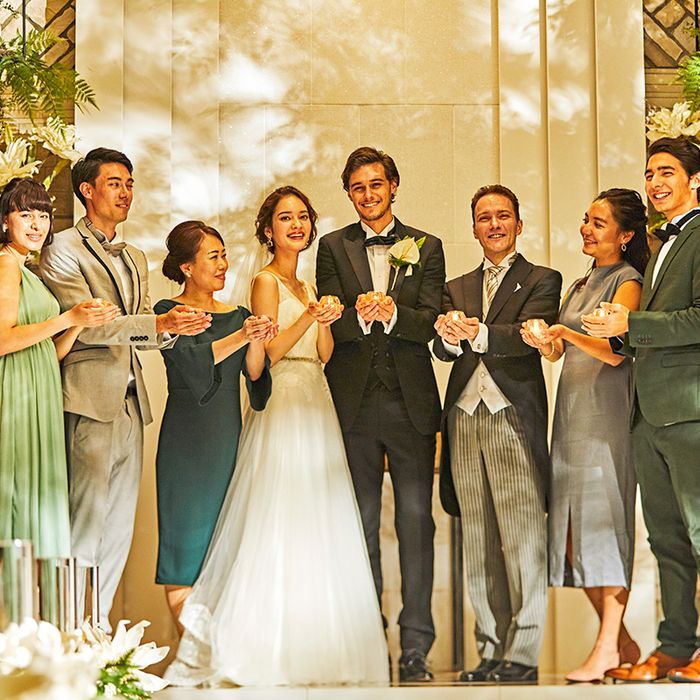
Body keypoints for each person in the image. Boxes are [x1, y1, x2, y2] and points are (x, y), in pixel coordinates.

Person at [166, 186, 388, 687]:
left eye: (303, 217)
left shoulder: (307, 285)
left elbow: (324, 354)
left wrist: (324, 319)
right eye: (286, 218)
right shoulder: (265, 282)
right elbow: (269, 354)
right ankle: (260, 648)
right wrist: (309, 316)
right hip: (285, 399)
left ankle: (319, 647)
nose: (297, 225)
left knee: (319, 517)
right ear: (269, 230)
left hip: (316, 400)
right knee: (279, 511)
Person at [39, 148, 211, 630]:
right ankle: (65, 637)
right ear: (87, 190)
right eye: (115, 183)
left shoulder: (135, 256)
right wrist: (158, 324)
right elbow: (88, 327)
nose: (126, 192)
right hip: (88, 402)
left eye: (130, 183)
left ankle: (96, 637)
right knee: (85, 526)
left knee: (118, 530)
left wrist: (171, 329)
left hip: (134, 406)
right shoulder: (61, 248)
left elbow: (143, 326)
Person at [316, 147, 445, 682]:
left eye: (376, 184)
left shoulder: (427, 245)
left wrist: (394, 315)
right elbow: (325, 319)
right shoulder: (331, 246)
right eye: (357, 187)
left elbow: (432, 319)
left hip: (410, 403)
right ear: (349, 193)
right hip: (352, 404)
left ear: (393, 185)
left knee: (416, 524)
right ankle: (369, 639)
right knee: (361, 524)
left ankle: (416, 648)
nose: (367, 195)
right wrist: (356, 317)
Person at [433, 184, 562, 684]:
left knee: (523, 535)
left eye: (503, 215)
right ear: (473, 228)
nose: (494, 224)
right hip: (464, 416)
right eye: (484, 217)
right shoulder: (458, 285)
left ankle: (523, 653)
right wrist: (448, 338)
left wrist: (478, 333)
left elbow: (530, 336)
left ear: (518, 224)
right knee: (478, 537)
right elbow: (445, 352)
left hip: (512, 415)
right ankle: (489, 648)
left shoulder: (542, 279)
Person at [583, 136, 700, 684]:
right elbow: (650, 330)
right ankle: (675, 647)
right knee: (667, 539)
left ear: (695, 180)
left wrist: (632, 324)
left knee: (699, 532)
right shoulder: (658, 246)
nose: (655, 182)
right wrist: (617, 334)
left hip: (690, 412)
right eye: (650, 173)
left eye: (667, 172)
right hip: (648, 414)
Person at [520, 188, 648, 682]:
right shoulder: (579, 282)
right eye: (585, 219)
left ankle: (607, 647)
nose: (586, 229)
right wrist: (546, 341)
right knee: (573, 535)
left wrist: (566, 334)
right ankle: (622, 641)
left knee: (604, 527)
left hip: (606, 419)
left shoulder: (628, 280)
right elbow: (564, 352)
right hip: (571, 417)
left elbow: (616, 350)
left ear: (625, 234)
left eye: (598, 223)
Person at [154, 220, 275, 632]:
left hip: (228, 441)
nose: (224, 264)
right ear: (187, 267)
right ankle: (192, 652)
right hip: (185, 444)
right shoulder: (168, 313)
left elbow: (254, 373)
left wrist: (255, 335)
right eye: (213, 256)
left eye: (224, 255)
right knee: (184, 549)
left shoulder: (238, 316)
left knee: (226, 549)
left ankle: (217, 647)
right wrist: (241, 335)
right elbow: (191, 364)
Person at [0, 177, 118, 557]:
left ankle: (31, 592)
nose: (37, 224)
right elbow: (3, 340)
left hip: (40, 391)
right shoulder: (6, 265)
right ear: (5, 221)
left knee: (36, 498)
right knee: (17, 494)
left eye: (43, 215)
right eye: (25, 215)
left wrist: (80, 323)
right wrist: (67, 318)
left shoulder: (28, 271)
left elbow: (46, 355)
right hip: (17, 395)